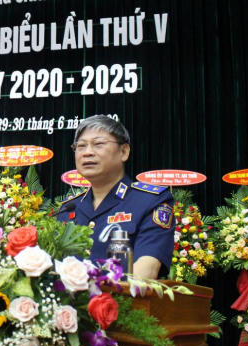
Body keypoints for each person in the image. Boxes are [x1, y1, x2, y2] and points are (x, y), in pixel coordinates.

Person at [57, 115, 174, 279]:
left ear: (123, 152)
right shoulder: (68, 209)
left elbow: (145, 273)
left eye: (98, 144)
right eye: (81, 146)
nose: (87, 152)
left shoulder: (151, 202)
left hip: (121, 296)